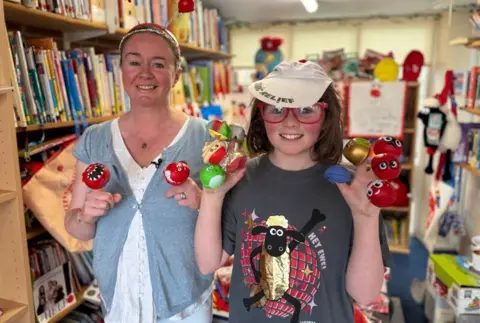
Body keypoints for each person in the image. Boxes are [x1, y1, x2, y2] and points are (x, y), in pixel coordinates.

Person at [194, 60, 391, 323]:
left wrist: (365, 217)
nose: (290, 122)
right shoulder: (239, 178)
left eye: (306, 110)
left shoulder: (352, 188)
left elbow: (365, 294)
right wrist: (212, 196)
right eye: (277, 109)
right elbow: (207, 264)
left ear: (326, 116)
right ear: (261, 115)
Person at [64, 23, 213, 323]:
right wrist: (87, 215)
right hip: (119, 296)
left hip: (186, 302)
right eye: (134, 62)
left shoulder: (204, 138)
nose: (145, 73)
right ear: (121, 71)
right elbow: (77, 227)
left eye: (158, 64)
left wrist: (204, 201)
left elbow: (229, 225)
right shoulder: (95, 139)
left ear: (176, 74)